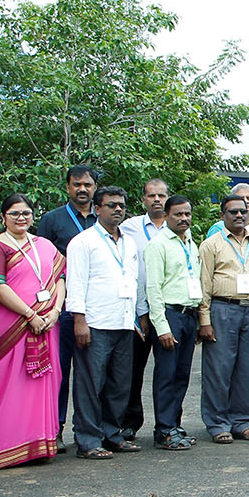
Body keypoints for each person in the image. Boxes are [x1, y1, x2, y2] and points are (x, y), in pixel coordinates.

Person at [0, 194, 65, 470]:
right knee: (2, 383)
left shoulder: (44, 245)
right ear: (4, 217)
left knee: (41, 381)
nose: (22, 218)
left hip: (46, 324)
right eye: (15, 213)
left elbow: (60, 278)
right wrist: (29, 314)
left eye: (27, 213)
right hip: (9, 327)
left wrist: (54, 312)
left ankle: (36, 444)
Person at [66, 185, 142, 460]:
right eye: (111, 205)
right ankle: (88, 439)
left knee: (119, 384)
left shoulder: (128, 242)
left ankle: (112, 434)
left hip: (122, 322)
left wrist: (134, 317)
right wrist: (79, 320)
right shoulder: (83, 242)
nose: (118, 209)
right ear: (97, 209)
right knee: (90, 384)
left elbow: (131, 282)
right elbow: (75, 283)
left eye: (121, 205)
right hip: (95, 323)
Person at [197, 194, 249, 443]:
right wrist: (204, 320)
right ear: (223, 216)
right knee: (219, 370)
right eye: (233, 212)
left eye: (243, 211)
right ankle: (217, 423)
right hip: (223, 309)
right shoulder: (211, 245)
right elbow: (203, 285)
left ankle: (241, 422)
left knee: (247, 370)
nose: (239, 216)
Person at [35, 164, 97, 452]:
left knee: (90, 374)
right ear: (68, 187)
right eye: (76, 184)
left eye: (87, 184)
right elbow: (41, 265)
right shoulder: (52, 220)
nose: (82, 189)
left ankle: (87, 430)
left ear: (94, 187)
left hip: (94, 308)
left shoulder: (103, 219)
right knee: (58, 372)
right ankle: (53, 430)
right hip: (61, 309)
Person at [141, 195, 202, 451]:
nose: (184, 218)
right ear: (165, 216)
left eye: (187, 214)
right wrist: (162, 326)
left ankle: (174, 425)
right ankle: (164, 429)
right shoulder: (158, 245)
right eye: (178, 214)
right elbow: (153, 288)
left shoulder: (191, 243)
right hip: (169, 316)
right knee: (166, 375)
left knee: (182, 375)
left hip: (189, 315)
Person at [119, 177, 169, 444]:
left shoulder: (177, 227)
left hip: (168, 310)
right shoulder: (129, 228)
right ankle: (129, 423)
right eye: (151, 196)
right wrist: (140, 312)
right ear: (143, 200)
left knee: (167, 371)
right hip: (138, 311)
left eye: (161, 195)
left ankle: (168, 424)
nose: (157, 200)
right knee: (133, 370)